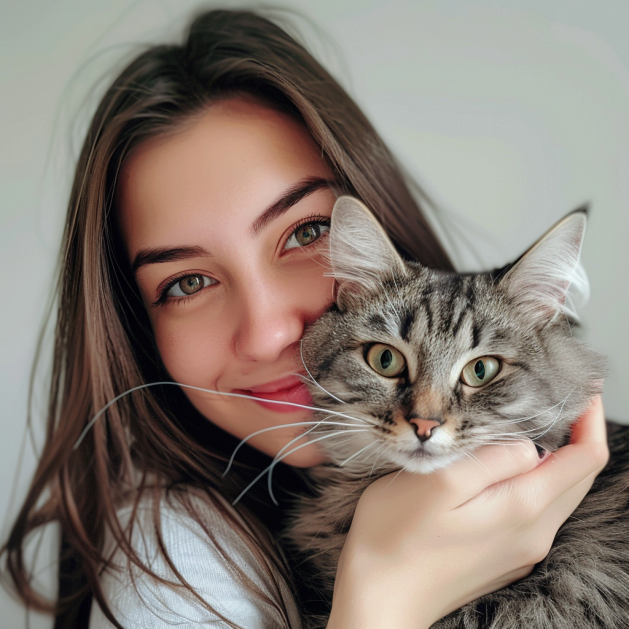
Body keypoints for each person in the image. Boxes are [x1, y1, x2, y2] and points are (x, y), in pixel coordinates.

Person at [0, 9, 608, 629]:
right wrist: (385, 597)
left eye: (306, 233)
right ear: (136, 324)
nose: (269, 334)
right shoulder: (171, 570)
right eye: (188, 282)